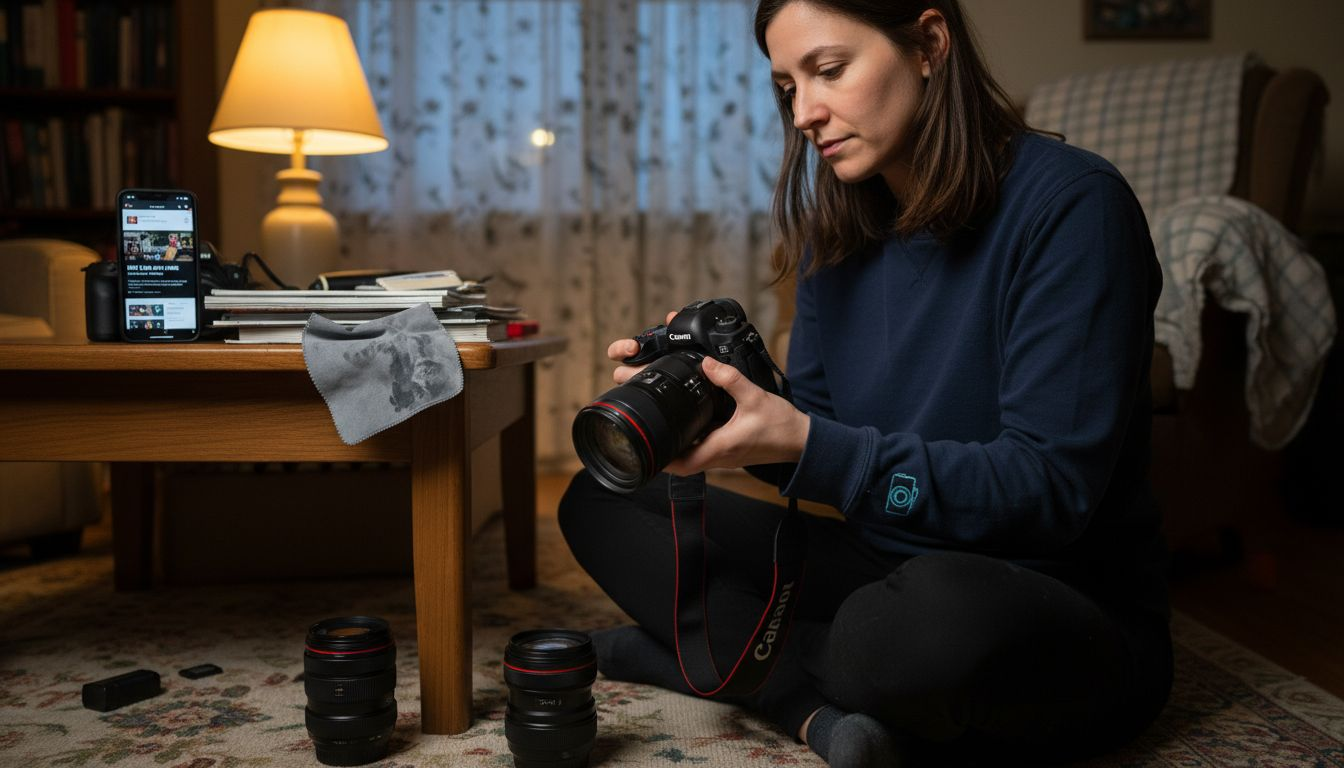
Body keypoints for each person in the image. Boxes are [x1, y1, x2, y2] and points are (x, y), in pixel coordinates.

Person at [558, 1, 1172, 765]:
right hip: (879, 562)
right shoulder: (837, 232)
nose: (805, 114)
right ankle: (797, 691)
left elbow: (1048, 493)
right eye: (788, 87)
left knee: (925, 628)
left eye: (830, 70)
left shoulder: (1073, 206)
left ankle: (717, 658)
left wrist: (810, 442)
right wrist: (720, 407)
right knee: (603, 497)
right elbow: (822, 439)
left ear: (929, 44)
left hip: (1043, 593)